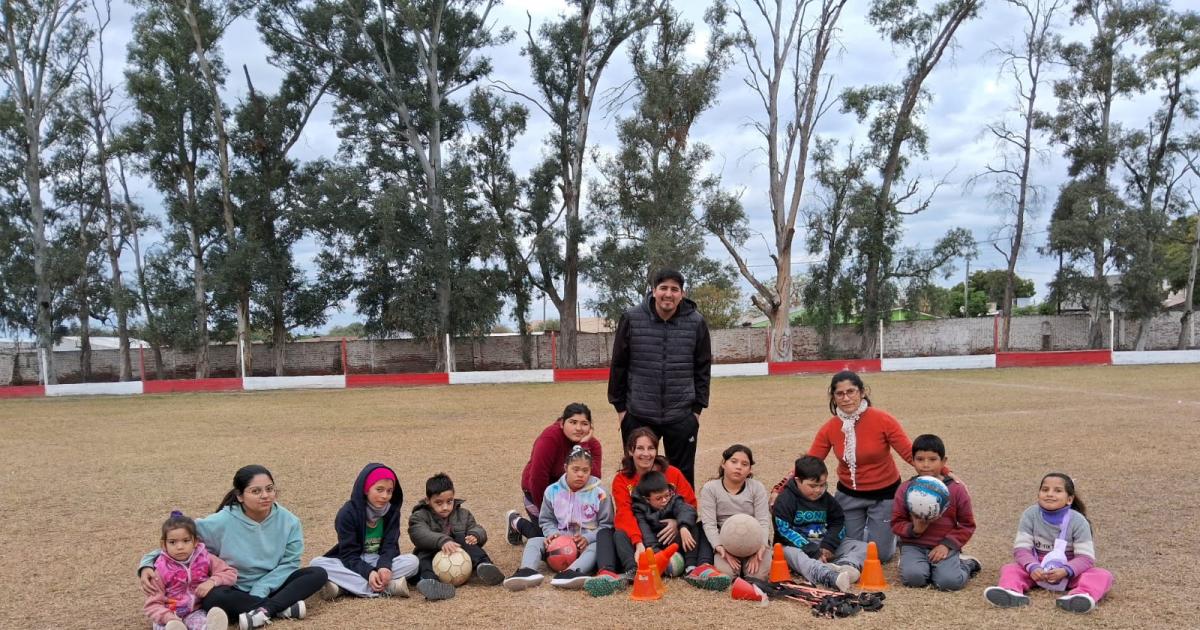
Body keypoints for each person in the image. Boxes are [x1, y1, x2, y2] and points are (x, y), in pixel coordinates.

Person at [772, 370, 951, 563]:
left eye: (851, 391)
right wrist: (779, 488)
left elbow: (910, 454)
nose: (846, 398)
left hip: (884, 496)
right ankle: (872, 530)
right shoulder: (830, 428)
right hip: (849, 496)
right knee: (847, 549)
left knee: (880, 556)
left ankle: (887, 534)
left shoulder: (883, 420)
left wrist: (946, 474)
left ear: (862, 392)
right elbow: (808, 463)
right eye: (840, 394)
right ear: (833, 397)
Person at [138, 465, 326, 630]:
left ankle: (265, 610)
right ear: (240, 496)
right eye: (256, 491)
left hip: (274, 584)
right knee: (213, 599)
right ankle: (280, 608)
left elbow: (290, 563)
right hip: (234, 589)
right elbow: (181, 542)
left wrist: (261, 588)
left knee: (317, 573)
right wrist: (147, 563)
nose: (265, 495)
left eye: (269, 489)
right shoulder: (220, 521)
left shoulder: (290, 521)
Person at [609, 268, 712, 486]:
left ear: (682, 294)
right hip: (639, 413)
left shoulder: (696, 322)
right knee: (638, 475)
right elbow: (618, 365)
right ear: (654, 290)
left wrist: (696, 411)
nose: (668, 294)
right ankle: (638, 510)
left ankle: (682, 511)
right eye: (663, 288)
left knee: (682, 477)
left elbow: (702, 368)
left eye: (674, 289)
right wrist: (621, 410)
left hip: (681, 414)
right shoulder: (631, 318)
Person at [585, 428, 698, 596]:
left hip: (667, 535)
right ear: (631, 451)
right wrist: (638, 542)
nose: (646, 453)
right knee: (608, 533)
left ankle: (693, 568)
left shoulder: (672, 473)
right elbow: (624, 514)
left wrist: (677, 523)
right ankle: (617, 573)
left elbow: (690, 504)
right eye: (640, 448)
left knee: (695, 527)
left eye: (651, 448)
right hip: (640, 536)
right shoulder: (622, 479)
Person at [984, 473, 1113, 613]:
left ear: (1069, 499)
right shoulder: (1030, 515)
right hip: (1036, 571)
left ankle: (1080, 597)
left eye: (1057, 491)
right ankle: (1010, 591)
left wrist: (1066, 571)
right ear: (1038, 494)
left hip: (1069, 573)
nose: (1050, 494)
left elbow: (1086, 558)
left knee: (1102, 575)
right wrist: (1033, 567)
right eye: (1045, 489)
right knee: (1010, 569)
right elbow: (1021, 549)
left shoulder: (1078, 521)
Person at [503, 446, 614, 591]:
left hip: (584, 546)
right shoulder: (552, 491)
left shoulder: (600, 493)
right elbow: (546, 520)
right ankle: (527, 571)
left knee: (597, 547)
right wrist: (553, 535)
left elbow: (607, 525)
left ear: (590, 470)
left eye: (585, 470)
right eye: (575, 469)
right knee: (534, 541)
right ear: (566, 468)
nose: (580, 474)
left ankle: (572, 572)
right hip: (558, 545)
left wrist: (588, 538)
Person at [310, 463, 419, 601]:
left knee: (413, 562)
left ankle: (344, 587)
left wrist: (384, 566)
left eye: (389, 491)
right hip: (354, 561)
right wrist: (368, 573)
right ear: (366, 489)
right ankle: (388, 588)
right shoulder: (347, 513)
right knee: (317, 563)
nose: (385, 496)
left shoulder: (392, 512)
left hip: (378, 559)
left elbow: (390, 546)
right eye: (379, 489)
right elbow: (349, 554)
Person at [891, 435, 981, 590]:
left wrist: (947, 545)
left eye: (933, 459)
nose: (926, 465)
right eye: (920, 459)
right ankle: (910, 562)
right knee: (914, 578)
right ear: (913, 461)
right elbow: (896, 522)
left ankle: (967, 564)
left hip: (944, 546)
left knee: (948, 582)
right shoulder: (906, 488)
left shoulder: (956, 489)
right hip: (913, 545)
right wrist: (915, 530)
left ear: (943, 461)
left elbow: (967, 524)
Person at [507, 403, 602, 543]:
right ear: (562, 423)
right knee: (549, 540)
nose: (578, 428)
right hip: (539, 494)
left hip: (573, 498)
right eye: (573, 422)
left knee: (581, 538)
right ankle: (515, 521)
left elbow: (594, 480)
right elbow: (537, 478)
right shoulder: (550, 438)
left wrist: (583, 447)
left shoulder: (593, 445)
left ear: (590, 427)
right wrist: (549, 514)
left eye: (584, 424)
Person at [407, 473, 504, 600]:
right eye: (439, 503)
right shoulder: (419, 516)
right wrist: (442, 541)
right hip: (432, 552)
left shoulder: (463, 514)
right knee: (422, 557)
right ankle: (430, 582)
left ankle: (484, 566)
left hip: (459, 552)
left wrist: (475, 535)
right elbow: (419, 533)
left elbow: (476, 527)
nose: (445, 507)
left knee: (466, 541)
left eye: (449, 501)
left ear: (453, 497)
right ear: (428, 500)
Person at [772, 455, 862, 591]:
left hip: (821, 541)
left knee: (862, 546)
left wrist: (829, 544)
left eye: (822, 485)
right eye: (813, 486)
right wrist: (811, 549)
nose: (818, 490)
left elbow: (838, 521)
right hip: (796, 546)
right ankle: (825, 575)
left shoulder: (827, 499)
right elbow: (783, 531)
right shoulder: (785, 500)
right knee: (790, 553)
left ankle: (846, 566)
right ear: (798, 481)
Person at [143, 511, 236, 630]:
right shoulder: (160, 569)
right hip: (168, 616)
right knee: (170, 627)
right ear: (164, 544)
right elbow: (152, 604)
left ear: (195, 542)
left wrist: (211, 581)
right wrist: (168, 617)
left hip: (195, 612)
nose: (180, 547)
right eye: (172, 542)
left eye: (186, 541)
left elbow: (230, 573)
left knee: (204, 624)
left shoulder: (205, 558)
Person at [699, 444, 771, 581]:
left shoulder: (757, 487)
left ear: (750, 470)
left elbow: (763, 521)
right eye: (734, 461)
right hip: (726, 544)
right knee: (726, 576)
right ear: (723, 464)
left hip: (755, 542)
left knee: (757, 577)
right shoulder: (710, 488)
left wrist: (761, 547)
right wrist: (720, 548)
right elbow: (709, 524)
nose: (738, 467)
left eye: (744, 464)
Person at [630, 471, 699, 570]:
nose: (664, 500)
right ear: (647, 499)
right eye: (658, 498)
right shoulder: (640, 509)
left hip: (676, 542)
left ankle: (691, 566)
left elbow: (687, 510)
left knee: (692, 527)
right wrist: (659, 556)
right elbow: (646, 534)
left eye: (667, 495)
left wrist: (683, 527)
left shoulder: (674, 500)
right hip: (657, 545)